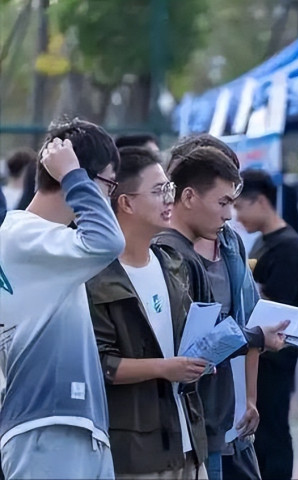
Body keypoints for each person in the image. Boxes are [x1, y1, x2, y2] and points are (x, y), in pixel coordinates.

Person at [0, 119, 125, 479]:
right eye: (109, 184)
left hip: (61, 424)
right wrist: (73, 175)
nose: (106, 198)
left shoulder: (40, 241)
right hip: (48, 425)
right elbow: (109, 241)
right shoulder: (24, 237)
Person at [155, 144, 287, 480]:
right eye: (223, 201)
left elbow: (245, 315)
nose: (229, 214)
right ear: (188, 195)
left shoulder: (228, 243)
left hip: (227, 413)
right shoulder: (169, 254)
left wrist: (249, 397)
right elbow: (196, 346)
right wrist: (255, 337)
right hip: (193, 417)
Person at [86, 146, 208, 479]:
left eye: (169, 188)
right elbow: (101, 364)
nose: (169, 199)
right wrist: (166, 368)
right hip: (137, 453)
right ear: (125, 202)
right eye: (158, 191)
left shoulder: (172, 263)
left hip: (189, 442)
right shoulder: (97, 277)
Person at [234, 169, 298, 480]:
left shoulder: (287, 248)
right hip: (258, 354)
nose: (236, 216)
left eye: (240, 206)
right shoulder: (261, 243)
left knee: (273, 432)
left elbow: (279, 308)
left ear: (261, 202)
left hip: (275, 358)